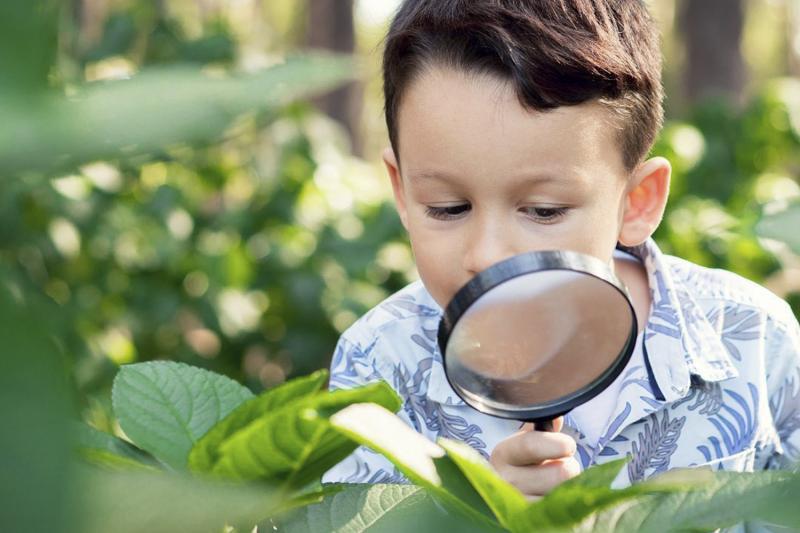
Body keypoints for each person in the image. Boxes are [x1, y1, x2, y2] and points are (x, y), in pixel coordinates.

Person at [322, 0, 800, 497]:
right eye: (448, 208)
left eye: (544, 211)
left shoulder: (754, 341)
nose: (486, 255)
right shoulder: (380, 362)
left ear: (636, 202)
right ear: (402, 192)